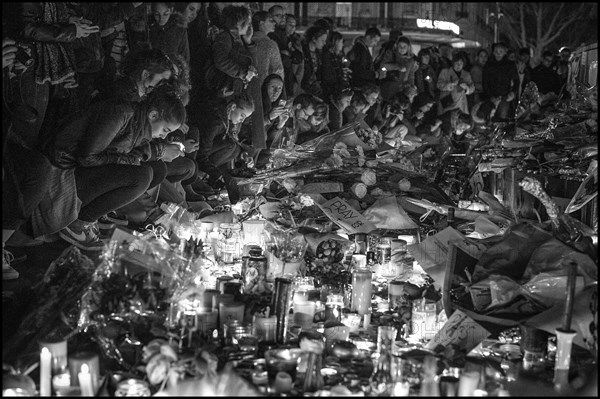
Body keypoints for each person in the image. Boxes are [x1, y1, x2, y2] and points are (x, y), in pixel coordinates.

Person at [41, 86, 186, 250]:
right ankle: (78, 223)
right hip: (63, 171)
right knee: (142, 175)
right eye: (165, 130)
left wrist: (152, 154)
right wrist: (133, 160)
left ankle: (99, 213)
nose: (164, 136)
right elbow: (88, 158)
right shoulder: (122, 113)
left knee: (157, 169)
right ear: (153, 115)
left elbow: (131, 154)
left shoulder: (140, 125)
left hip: (83, 170)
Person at [194, 93, 256, 204]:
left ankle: (206, 176)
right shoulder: (216, 122)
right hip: (195, 155)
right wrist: (219, 176)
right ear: (233, 107)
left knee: (235, 149)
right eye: (242, 116)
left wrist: (243, 154)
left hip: (204, 156)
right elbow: (201, 153)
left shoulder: (225, 121)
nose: (242, 120)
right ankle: (200, 176)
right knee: (231, 146)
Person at [246, 10, 284, 151]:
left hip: (250, 86)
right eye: (270, 20)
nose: (274, 23)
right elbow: (278, 71)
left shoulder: (248, 40)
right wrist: (278, 91)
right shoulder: (270, 44)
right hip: (266, 90)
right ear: (261, 23)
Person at [202, 5, 257, 102]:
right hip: (223, 89)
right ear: (239, 23)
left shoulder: (238, 39)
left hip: (231, 89)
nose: (249, 26)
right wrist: (243, 73)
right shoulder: (225, 37)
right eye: (248, 23)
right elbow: (221, 60)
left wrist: (248, 41)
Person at [482, 42, 518, 120]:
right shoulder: (488, 65)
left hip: (504, 97)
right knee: (489, 118)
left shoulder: (510, 65)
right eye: (496, 51)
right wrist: (490, 96)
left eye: (500, 52)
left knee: (502, 119)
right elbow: (485, 82)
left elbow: (516, 81)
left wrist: (513, 93)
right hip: (491, 97)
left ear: (505, 53)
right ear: (493, 52)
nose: (498, 54)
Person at [376, 35, 417, 101]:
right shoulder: (390, 54)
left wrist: (411, 86)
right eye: (400, 46)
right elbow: (383, 67)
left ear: (408, 48)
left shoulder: (411, 60)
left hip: (402, 90)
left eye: (404, 47)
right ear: (396, 46)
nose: (402, 48)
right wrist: (397, 67)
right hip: (388, 86)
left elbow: (411, 75)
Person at [321, 31, 351, 99]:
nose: (342, 45)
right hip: (331, 92)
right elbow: (328, 76)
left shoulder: (338, 57)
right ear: (336, 42)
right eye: (341, 42)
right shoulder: (328, 56)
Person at [301, 25, 328, 97]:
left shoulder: (319, 54)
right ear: (314, 39)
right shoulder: (302, 52)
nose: (324, 43)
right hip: (303, 89)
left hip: (314, 90)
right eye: (322, 40)